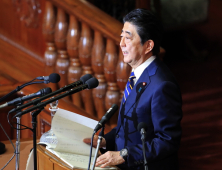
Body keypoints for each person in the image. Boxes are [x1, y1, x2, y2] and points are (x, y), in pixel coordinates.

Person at [84, 8, 183, 170]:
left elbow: (167, 140)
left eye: (128, 38)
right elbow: (130, 126)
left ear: (148, 45)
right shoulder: (137, 74)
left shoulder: (163, 85)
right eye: (121, 36)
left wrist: (123, 155)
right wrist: (105, 140)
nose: (121, 43)